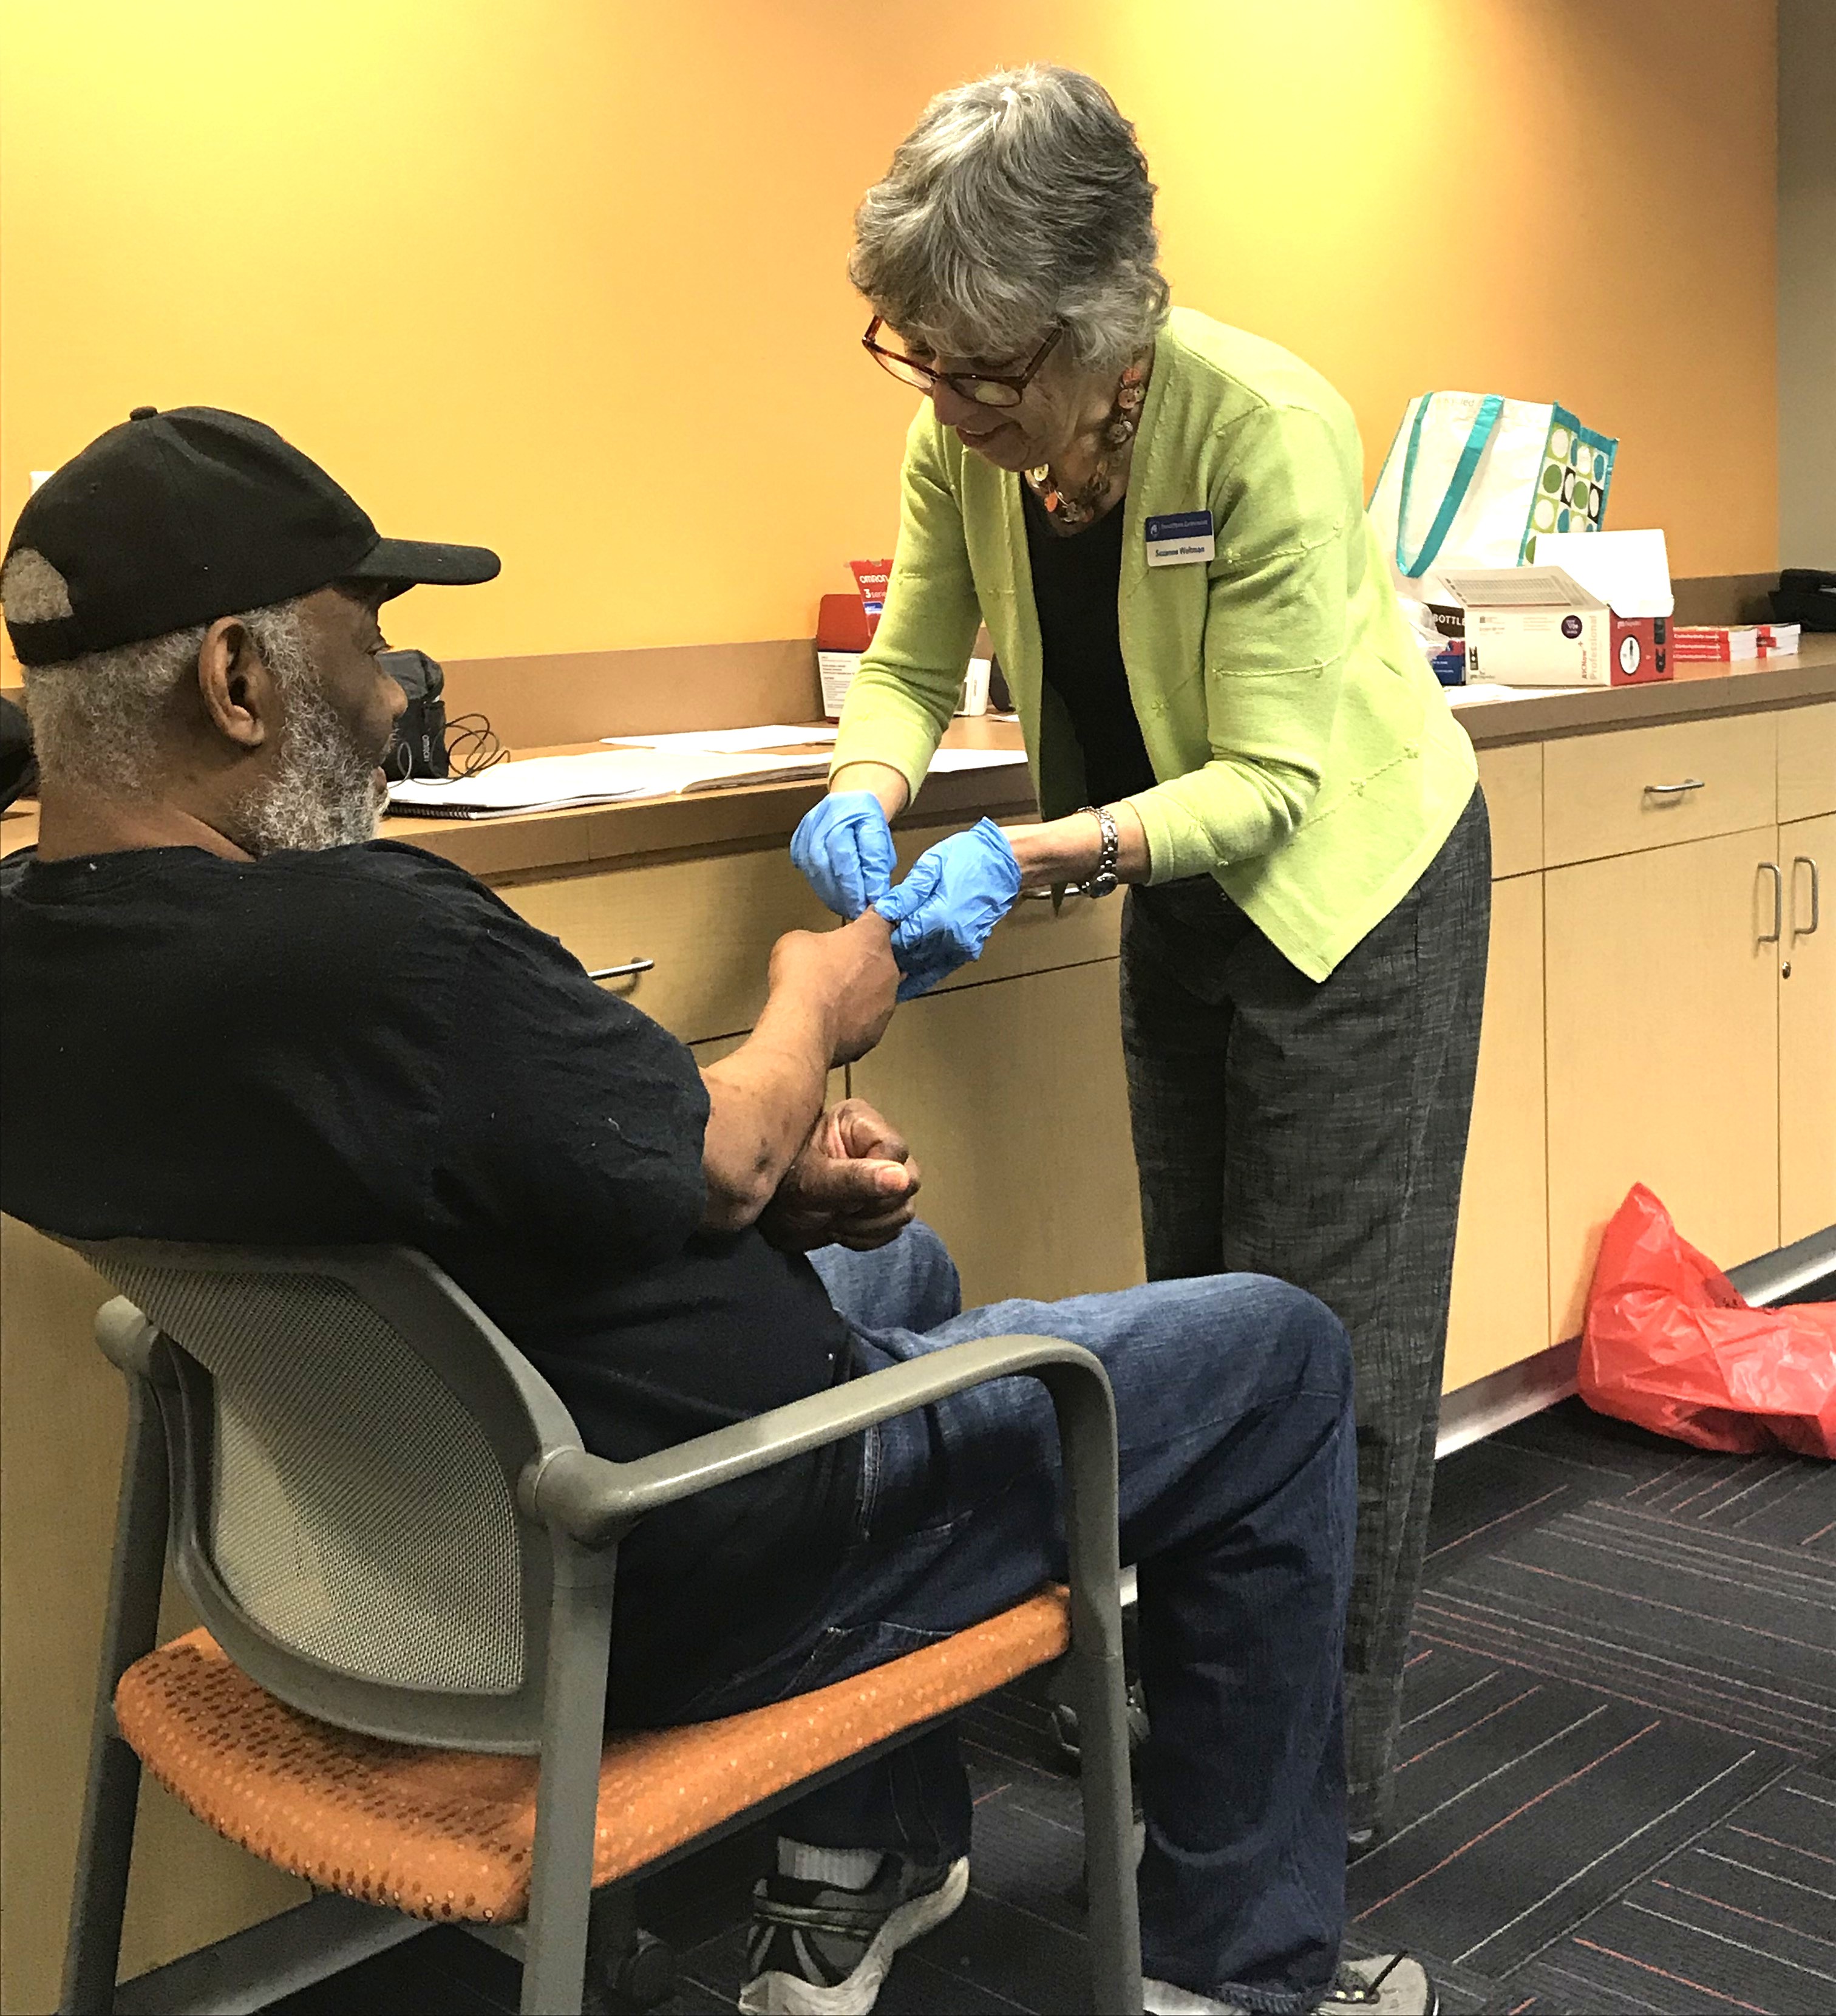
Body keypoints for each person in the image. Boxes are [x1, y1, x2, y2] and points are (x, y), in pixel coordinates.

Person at [0, 408, 1436, 2016]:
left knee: (909, 1266)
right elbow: (725, 1156)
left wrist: (778, 1200)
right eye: (373, 636)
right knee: (1282, 1357)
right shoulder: (369, 948)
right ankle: (1236, 1980)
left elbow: (484, 1203)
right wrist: (807, 1005)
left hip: (376, 1577)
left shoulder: (39, 973)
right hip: (684, 1559)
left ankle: (861, 1864)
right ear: (236, 682)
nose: (399, 691)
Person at [794, 66, 1491, 1846]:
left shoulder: (1259, 424)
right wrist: (869, 784)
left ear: (1104, 327)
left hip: (1355, 896)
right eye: (919, 357)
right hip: (1160, 882)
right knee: (1207, 1334)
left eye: (990, 371)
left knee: (1334, 1350)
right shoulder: (968, 424)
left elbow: (1268, 782)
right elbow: (904, 662)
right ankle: (1210, 1737)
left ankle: (1302, 1819)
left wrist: (1020, 855)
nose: (951, 403)